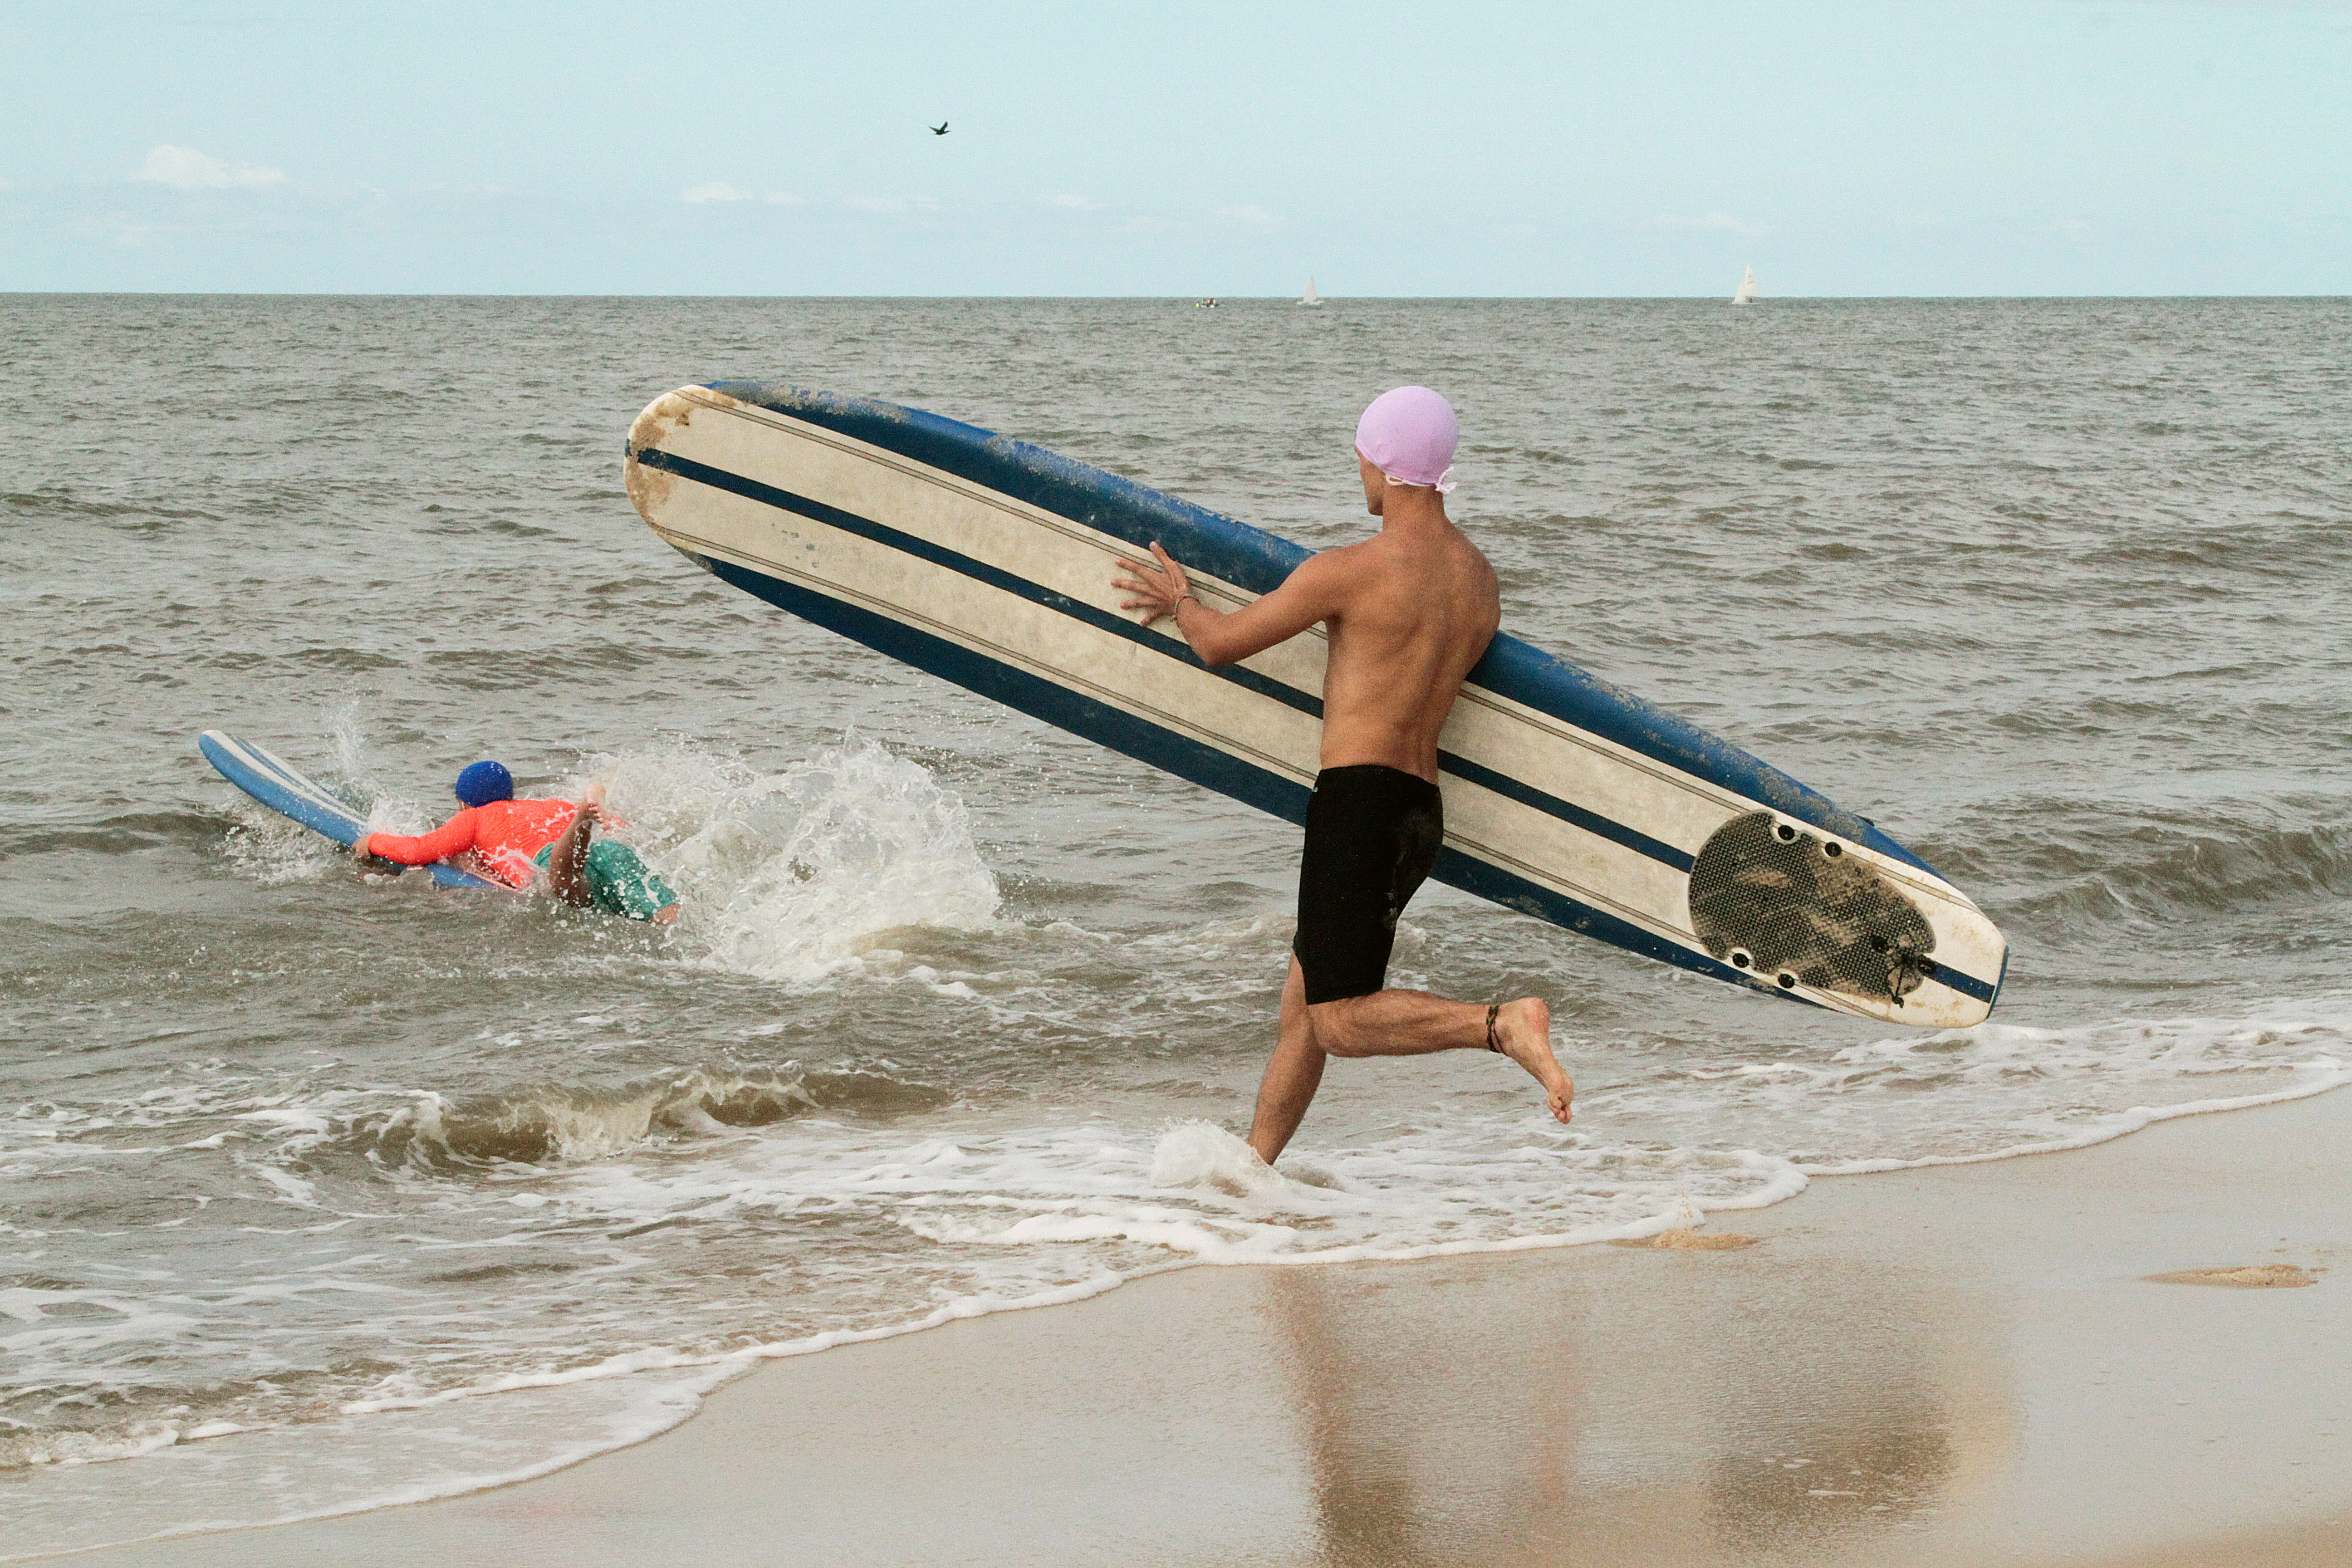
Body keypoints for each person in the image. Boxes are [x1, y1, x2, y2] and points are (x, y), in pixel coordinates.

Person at [1112, 386, 1574, 1165]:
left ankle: (1499, 1025)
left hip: (1357, 806)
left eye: (1361, 456)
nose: (1357, 471)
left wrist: (1182, 600)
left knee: (1335, 1019)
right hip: (1419, 812)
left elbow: (1221, 644)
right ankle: (1252, 1175)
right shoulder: (1478, 582)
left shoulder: (1347, 572)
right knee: (1305, 1007)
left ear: (1383, 464)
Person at [355, 760, 679, 925]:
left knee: (567, 886)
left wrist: (372, 841)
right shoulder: (549, 805)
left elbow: (418, 850)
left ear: (464, 803)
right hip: (613, 852)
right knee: (667, 922)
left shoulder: (474, 818)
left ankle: (581, 826)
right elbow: (622, 829)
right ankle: (583, 822)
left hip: (550, 859)